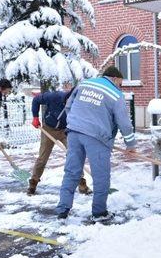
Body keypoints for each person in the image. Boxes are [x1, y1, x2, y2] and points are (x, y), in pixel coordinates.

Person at [55, 67, 136, 221]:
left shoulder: (84, 84)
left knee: (72, 171)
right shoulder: (115, 94)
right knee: (101, 176)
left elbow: (68, 105)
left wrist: (75, 122)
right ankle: (99, 213)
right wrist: (130, 144)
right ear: (114, 78)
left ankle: (63, 210)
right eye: (120, 83)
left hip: (74, 133)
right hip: (97, 137)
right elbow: (124, 123)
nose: (120, 87)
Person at [27, 84, 91, 196]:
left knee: (75, 156)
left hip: (66, 131)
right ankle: (33, 183)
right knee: (42, 158)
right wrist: (35, 117)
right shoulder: (53, 96)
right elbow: (36, 100)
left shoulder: (78, 105)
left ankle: (81, 184)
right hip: (49, 129)